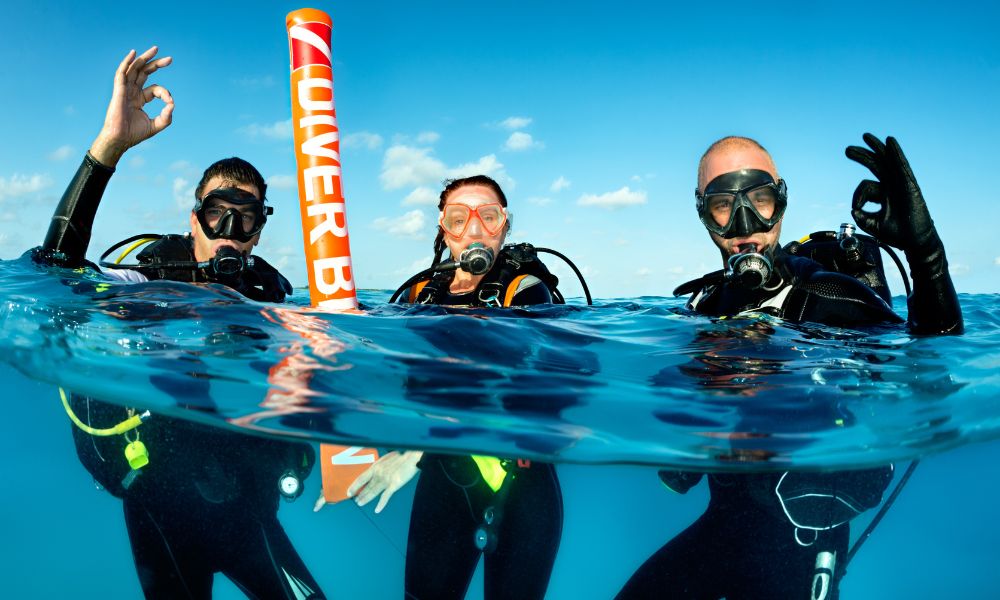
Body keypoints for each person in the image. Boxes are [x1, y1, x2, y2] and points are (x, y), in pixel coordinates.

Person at [616, 135, 963, 599]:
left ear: (781, 200)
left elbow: (931, 361)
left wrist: (925, 252)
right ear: (703, 214)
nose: (745, 223)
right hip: (721, 531)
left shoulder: (830, 296)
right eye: (723, 204)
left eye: (760, 199)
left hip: (803, 542)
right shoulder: (705, 306)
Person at [34, 47, 324, 599]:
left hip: (248, 511)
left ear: (259, 233)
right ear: (194, 220)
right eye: (219, 213)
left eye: (247, 219)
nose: (230, 231)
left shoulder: (272, 298)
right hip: (160, 508)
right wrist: (107, 150)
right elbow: (54, 276)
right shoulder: (151, 279)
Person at [346, 175, 565, 599]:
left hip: (524, 489)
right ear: (443, 229)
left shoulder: (526, 291)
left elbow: (524, 381)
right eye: (459, 218)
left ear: (506, 226)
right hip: (443, 486)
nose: (476, 230)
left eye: (489, 217)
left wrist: (418, 449)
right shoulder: (415, 296)